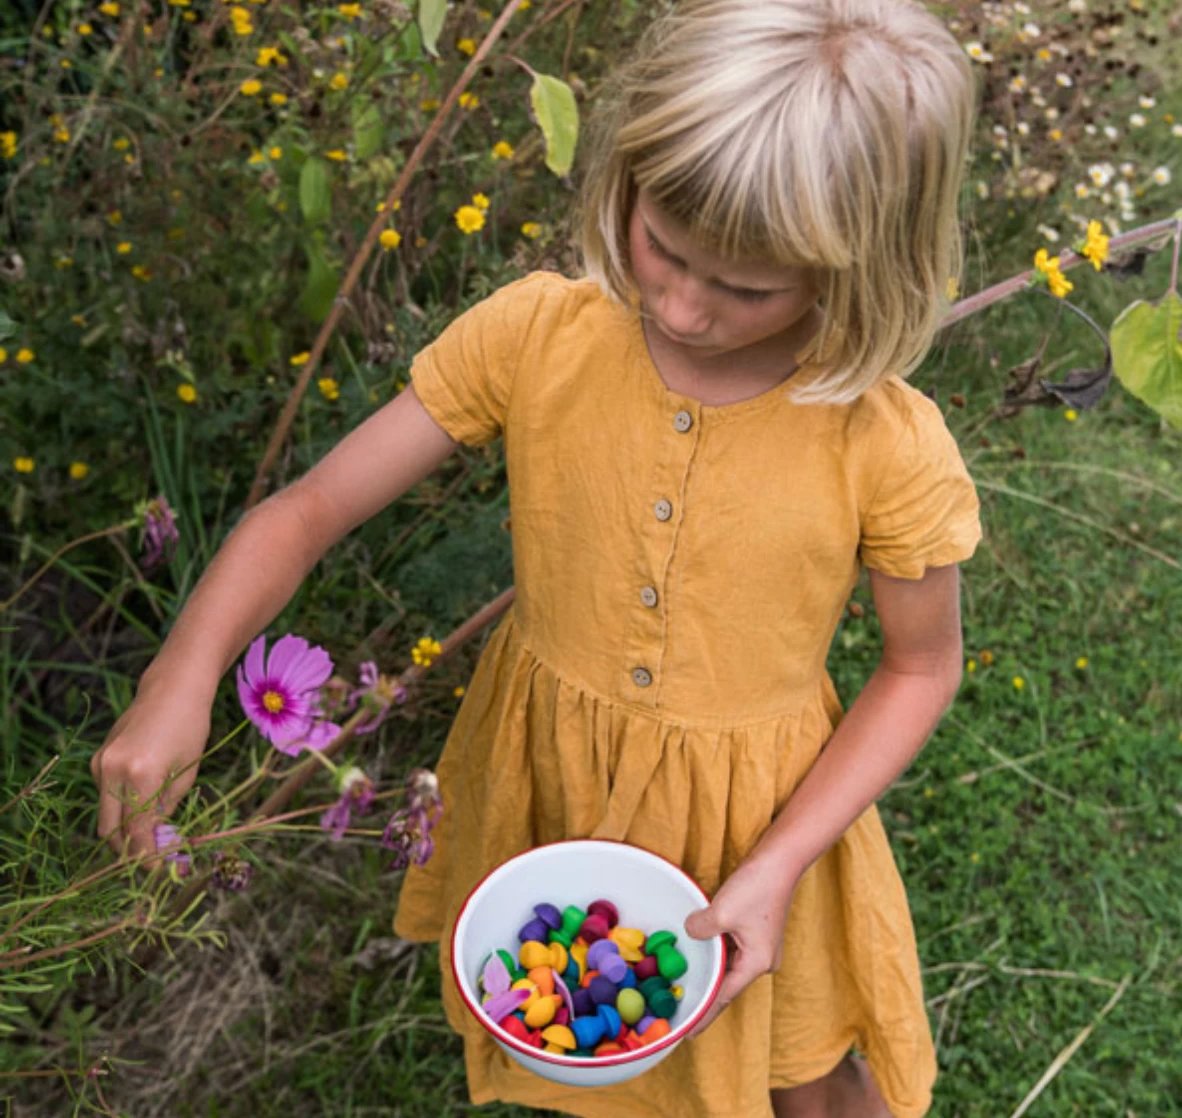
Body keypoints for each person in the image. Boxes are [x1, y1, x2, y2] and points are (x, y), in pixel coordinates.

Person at [91, 0, 981, 1114]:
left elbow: (919, 666)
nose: (683, 306)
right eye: (663, 245)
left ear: (858, 267)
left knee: (798, 1057)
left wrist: (785, 857)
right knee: (585, 1002)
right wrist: (180, 674)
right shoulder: (537, 334)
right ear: (628, 177)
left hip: (766, 813)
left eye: (748, 288)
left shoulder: (882, 440)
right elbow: (310, 508)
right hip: (549, 774)